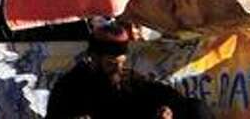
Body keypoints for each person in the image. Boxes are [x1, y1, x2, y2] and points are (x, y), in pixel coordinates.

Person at [46, 22, 201, 119]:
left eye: (121, 62)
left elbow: (172, 98)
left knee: (196, 108)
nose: (117, 69)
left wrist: (168, 110)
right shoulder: (69, 87)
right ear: (94, 59)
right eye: (111, 63)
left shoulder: (129, 80)